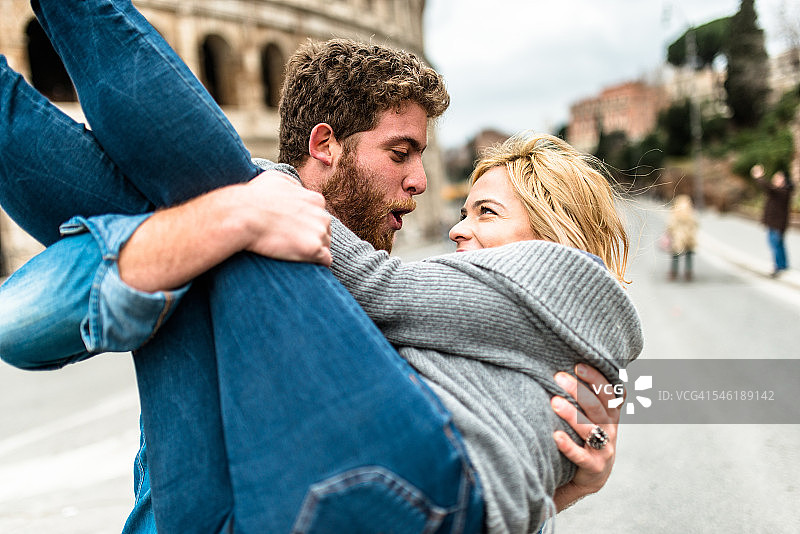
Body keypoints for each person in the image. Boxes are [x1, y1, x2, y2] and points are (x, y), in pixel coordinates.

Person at [0, 1, 638, 532]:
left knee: (214, 188)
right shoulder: (427, 311)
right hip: (222, 511)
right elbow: (17, 325)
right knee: (217, 199)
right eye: (400, 152)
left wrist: (240, 205)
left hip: (345, 492)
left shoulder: (524, 296)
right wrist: (224, 223)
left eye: (485, 212)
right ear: (325, 146)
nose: (432, 198)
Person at [751, 164, 794, 277]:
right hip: (774, 224)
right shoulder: (780, 192)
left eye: (778, 178)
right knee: (779, 245)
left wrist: (759, 177)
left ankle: (778, 267)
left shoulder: (783, 192)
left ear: (784, 180)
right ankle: (783, 266)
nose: (775, 179)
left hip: (777, 225)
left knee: (775, 245)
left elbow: (768, 187)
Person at [666, 194, 697, 282]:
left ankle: (673, 274)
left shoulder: (674, 213)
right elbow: (696, 225)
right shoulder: (691, 213)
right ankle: (688, 274)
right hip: (689, 238)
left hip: (677, 238)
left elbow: (670, 225)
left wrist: (671, 233)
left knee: (675, 256)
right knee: (688, 256)